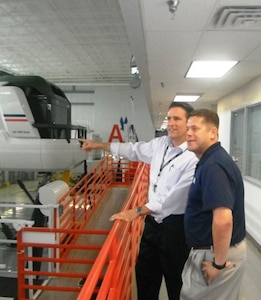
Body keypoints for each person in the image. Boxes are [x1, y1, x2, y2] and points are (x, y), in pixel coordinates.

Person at [80, 102, 198, 300]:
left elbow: (171, 201)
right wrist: (100, 145)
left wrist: (135, 212)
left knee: (176, 282)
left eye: (177, 118)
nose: (171, 123)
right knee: (145, 276)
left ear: (189, 124)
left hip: (176, 229)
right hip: (152, 225)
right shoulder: (160, 144)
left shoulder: (193, 158)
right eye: (169, 118)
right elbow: (133, 150)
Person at [181, 109, 247, 300]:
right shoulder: (210, 160)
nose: (189, 133)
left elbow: (223, 220)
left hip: (214, 254)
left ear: (213, 132)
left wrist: (218, 264)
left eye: (195, 128)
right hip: (211, 251)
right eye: (188, 129)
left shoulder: (214, 166)